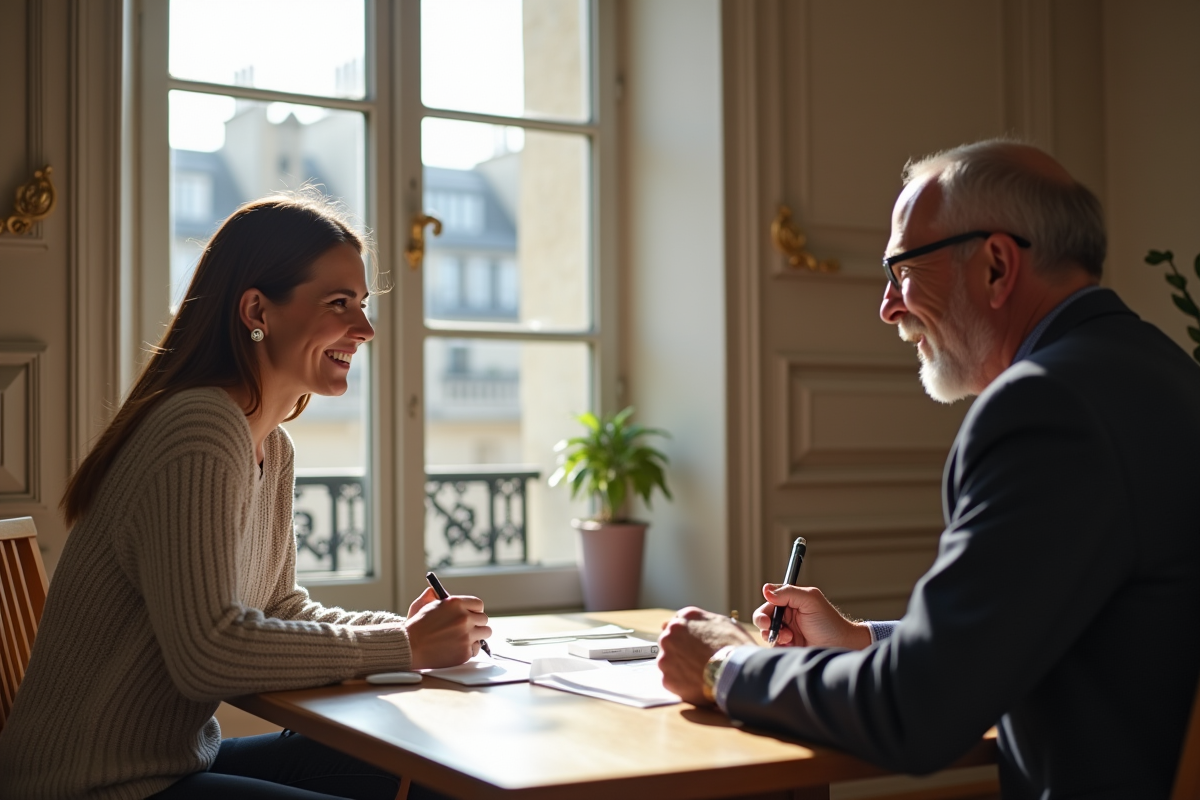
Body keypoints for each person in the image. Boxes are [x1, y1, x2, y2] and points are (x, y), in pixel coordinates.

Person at [656, 140, 1200, 798]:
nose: (888, 306)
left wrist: (725, 665)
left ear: (997, 266)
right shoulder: (1164, 374)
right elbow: (1066, 633)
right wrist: (866, 641)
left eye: (903, 270)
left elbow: (913, 712)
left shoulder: (1046, 409)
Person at [0, 195, 491, 800]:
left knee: (434, 768)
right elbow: (210, 651)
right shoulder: (198, 428)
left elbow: (279, 608)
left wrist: (408, 630)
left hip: (174, 764)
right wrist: (404, 646)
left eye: (362, 305)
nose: (364, 330)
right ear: (258, 309)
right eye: (339, 304)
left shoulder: (271, 445)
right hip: (99, 787)